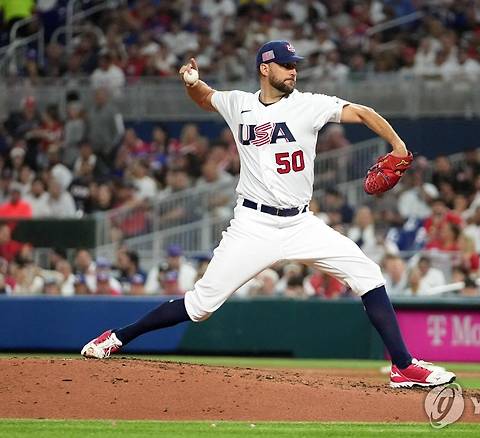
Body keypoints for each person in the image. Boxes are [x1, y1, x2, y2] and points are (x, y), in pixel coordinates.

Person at [81, 40, 455, 388]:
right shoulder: (238, 103)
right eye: (287, 65)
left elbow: (361, 111)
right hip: (252, 225)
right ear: (265, 68)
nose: (294, 71)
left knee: (368, 273)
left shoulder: (308, 104)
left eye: (296, 66)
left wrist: (398, 144)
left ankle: (402, 366)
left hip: (299, 222)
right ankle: (116, 337)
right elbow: (206, 98)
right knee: (199, 306)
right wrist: (192, 82)